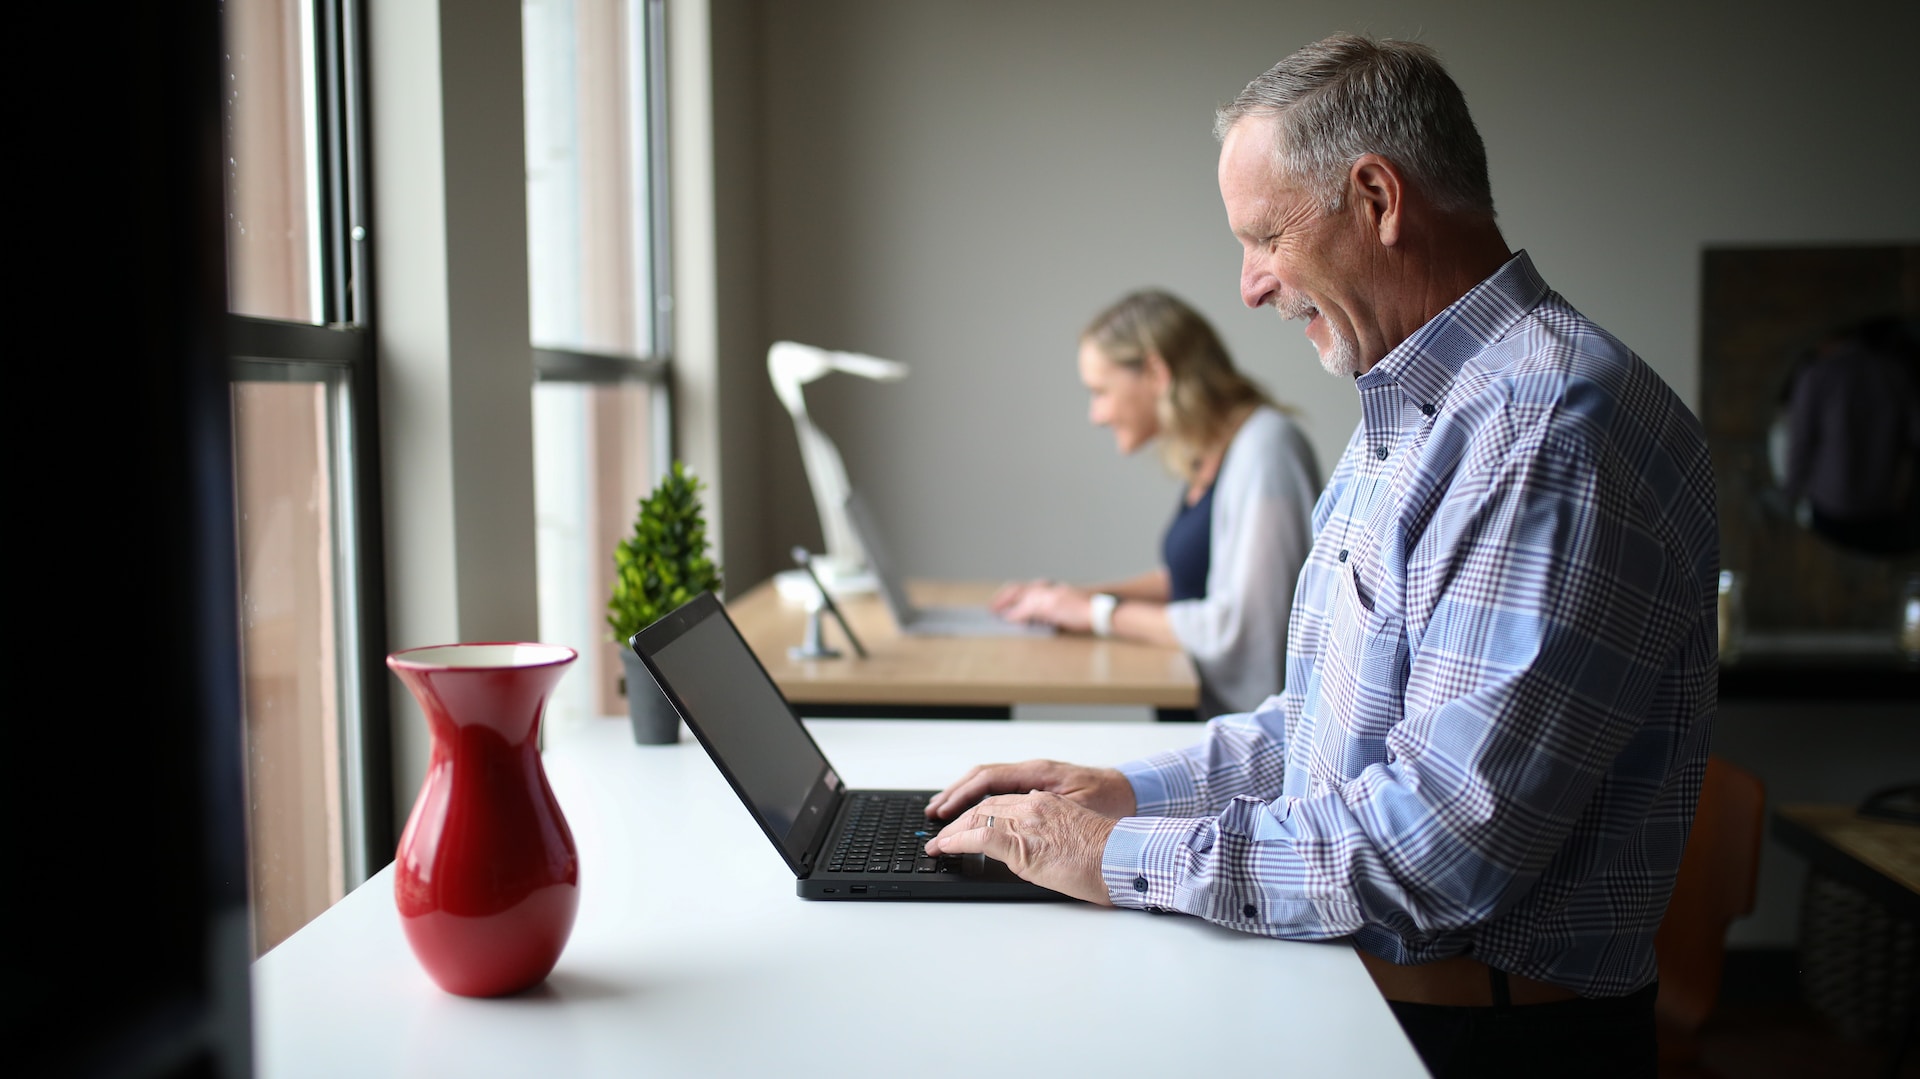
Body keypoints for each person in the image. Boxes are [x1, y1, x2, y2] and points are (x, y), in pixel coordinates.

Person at [924, 34, 1717, 1079]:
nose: (1249, 287)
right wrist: (1120, 790)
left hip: (1478, 1040)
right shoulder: (1421, 409)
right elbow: (1325, 728)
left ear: (1379, 199)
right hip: (1384, 999)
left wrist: (1109, 856)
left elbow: (1432, 847)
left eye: (1264, 238)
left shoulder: (1543, 432)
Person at [992, 289, 1321, 719]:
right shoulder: (1212, 452)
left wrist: (1095, 613)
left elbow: (1241, 627)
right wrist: (1067, 598)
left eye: (1101, 391)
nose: (1097, 414)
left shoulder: (1267, 449)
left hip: (1236, 737)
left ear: (1154, 372)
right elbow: (1191, 579)